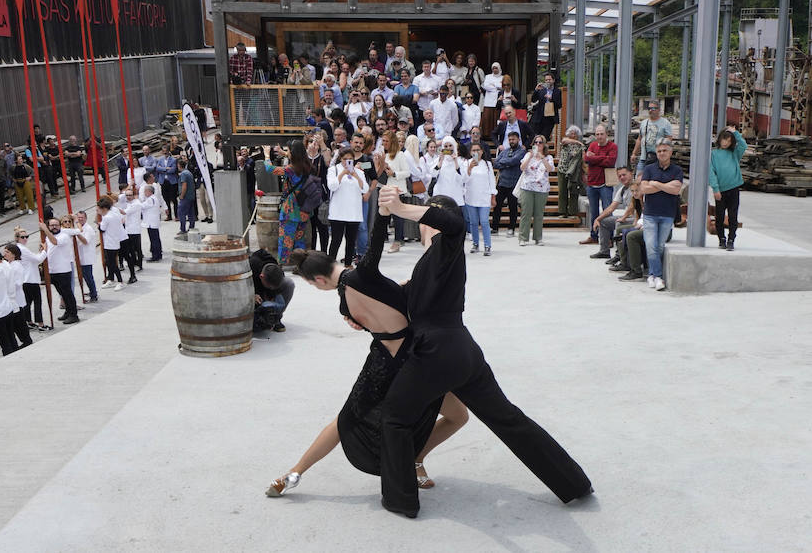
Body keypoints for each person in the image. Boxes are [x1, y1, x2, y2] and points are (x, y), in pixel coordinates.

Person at [374, 189, 593, 517]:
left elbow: (454, 223)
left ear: (429, 221)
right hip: (462, 352)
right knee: (507, 418)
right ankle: (573, 483)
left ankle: (400, 500)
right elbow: (403, 298)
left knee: (394, 418)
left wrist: (401, 208)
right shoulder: (430, 261)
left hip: (434, 353)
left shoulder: (446, 244)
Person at [267, 209, 466, 498]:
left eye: (312, 285)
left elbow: (372, 319)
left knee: (344, 419)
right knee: (458, 416)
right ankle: (416, 458)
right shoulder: (366, 273)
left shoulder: (344, 306)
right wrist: (384, 212)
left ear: (319, 280)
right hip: (415, 360)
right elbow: (374, 240)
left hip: (382, 365)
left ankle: (293, 473)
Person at [258, 140, 324, 263]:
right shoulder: (308, 166)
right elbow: (295, 157)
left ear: (293, 153)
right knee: (299, 239)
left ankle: (282, 264)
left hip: (290, 208)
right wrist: (284, 153)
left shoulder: (290, 169)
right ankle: (300, 265)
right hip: (304, 208)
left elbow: (270, 169)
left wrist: (267, 155)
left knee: (286, 239)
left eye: (289, 151)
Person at [637, 141, 685, 291]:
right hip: (650, 214)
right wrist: (666, 186)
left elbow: (676, 190)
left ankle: (652, 275)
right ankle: (658, 276)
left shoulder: (677, 170)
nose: (662, 153)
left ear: (670, 153)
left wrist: (656, 184)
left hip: (667, 214)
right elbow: (644, 188)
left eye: (665, 150)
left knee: (659, 246)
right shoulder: (649, 168)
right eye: (659, 151)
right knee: (651, 246)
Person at [326, 147, 368, 267]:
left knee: (351, 241)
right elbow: (332, 186)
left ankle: (348, 264)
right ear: (340, 159)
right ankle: (331, 264)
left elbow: (364, 188)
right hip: (338, 212)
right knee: (336, 240)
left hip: (354, 212)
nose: (347, 162)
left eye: (350, 159)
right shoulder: (333, 170)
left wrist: (356, 175)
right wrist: (342, 174)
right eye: (345, 159)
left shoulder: (359, 172)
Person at [710, 126, 746, 251]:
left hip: (734, 188)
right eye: (724, 140)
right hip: (720, 190)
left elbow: (743, 145)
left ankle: (731, 239)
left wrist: (735, 132)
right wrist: (715, 189)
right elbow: (711, 172)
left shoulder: (735, 153)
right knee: (719, 216)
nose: (725, 143)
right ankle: (721, 239)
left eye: (729, 140)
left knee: (733, 216)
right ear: (719, 139)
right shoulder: (713, 154)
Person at [40, 218, 83, 324]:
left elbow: (55, 242)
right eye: (51, 225)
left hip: (63, 270)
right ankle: (68, 312)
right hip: (52, 270)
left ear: (60, 226)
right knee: (62, 294)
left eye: (56, 225)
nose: (54, 227)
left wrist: (45, 230)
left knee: (67, 293)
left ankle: (74, 315)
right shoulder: (48, 237)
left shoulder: (64, 235)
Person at [582, 125, 618, 244]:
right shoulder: (592, 145)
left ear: (606, 134)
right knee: (593, 212)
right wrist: (602, 159)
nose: (599, 136)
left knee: (607, 212)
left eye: (601, 134)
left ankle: (609, 238)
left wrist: (595, 158)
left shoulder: (613, 147)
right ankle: (594, 236)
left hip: (605, 184)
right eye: (597, 134)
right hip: (592, 184)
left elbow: (611, 161)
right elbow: (586, 159)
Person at [589, 167, 634, 261]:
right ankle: (604, 251)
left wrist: (624, 217)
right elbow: (611, 207)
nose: (622, 177)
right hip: (628, 217)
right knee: (604, 221)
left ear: (631, 173)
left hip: (638, 219)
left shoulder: (636, 187)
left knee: (619, 223)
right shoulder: (622, 190)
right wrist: (598, 219)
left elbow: (633, 206)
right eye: (619, 176)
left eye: (624, 175)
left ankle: (619, 256)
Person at [517, 135, 555, 246]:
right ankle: (523, 237)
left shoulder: (548, 158)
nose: (538, 144)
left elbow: (550, 169)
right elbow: (522, 168)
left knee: (539, 214)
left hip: (542, 189)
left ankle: (538, 238)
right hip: (527, 187)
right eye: (536, 142)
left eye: (540, 142)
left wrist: (541, 157)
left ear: (544, 145)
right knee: (526, 213)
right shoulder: (528, 155)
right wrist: (530, 157)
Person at [249, 249, 294, 333]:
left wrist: (273, 295)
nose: (271, 288)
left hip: (265, 291)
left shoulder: (275, 267)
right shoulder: (251, 267)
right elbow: (240, 287)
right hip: (255, 292)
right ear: (261, 276)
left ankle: (276, 318)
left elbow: (275, 285)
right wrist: (252, 295)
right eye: (269, 286)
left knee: (289, 283)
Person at [492, 131, 526, 236]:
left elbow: (515, 161)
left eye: (513, 139)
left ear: (518, 140)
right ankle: (494, 227)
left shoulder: (521, 151)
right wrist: (506, 163)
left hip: (514, 183)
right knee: (497, 206)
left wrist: (504, 163)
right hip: (502, 182)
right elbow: (496, 163)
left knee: (513, 207)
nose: (511, 141)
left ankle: (511, 228)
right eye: (510, 139)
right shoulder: (504, 151)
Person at [98, 196, 127, 291]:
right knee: (109, 262)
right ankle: (110, 279)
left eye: (99, 209)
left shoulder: (107, 218)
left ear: (104, 208)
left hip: (110, 242)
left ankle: (120, 281)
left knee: (112, 263)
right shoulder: (115, 214)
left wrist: (99, 224)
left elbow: (102, 229)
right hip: (114, 240)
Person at [556, 125, 585, 219]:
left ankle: (572, 212)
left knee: (574, 191)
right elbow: (564, 140)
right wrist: (577, 142)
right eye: (571, 133)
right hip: (563, 170)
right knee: (562, 191)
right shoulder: (565, 142)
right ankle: (562, 212)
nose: (573, 135)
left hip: (574, 172)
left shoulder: (580, 146)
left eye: (575, 133)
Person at [72, 211, 101, 303]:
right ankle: (92, 291)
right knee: (85, 276)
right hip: (81, 256)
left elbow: (85, 241)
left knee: (88, 276)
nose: (80, 219)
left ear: (86, 218)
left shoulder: (88, 229)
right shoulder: (80, 228)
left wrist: (77, 233)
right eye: (78, 217)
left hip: (87, 256)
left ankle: (94, 295)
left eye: (82, 217)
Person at [632, 103, 673, 168]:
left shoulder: (665, 123)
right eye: (649, 108)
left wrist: (665, 156)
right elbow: (639, 139)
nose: (650, 110)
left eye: (653, 108)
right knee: (639, 176)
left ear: (659, 110)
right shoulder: (644, 123)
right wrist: (634, 153)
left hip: (658, 158)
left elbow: (669, 140)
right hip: (644, 158)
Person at [119, 187, 144, 280]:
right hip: (128, 229)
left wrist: (113, 208)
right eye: (127, 195)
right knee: (131, 249)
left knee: (137, 248)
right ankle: (133, 263)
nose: (128, 197)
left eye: (130, 195)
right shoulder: (128, 203)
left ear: (134, 195)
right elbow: (120, 197)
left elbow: (125, 212)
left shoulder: (136, 204)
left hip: (135, 229)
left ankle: (139, 264)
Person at [527, 72, 561, 141]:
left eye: (549, 79)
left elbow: (559, 105)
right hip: (540, 117)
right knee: (536, 137)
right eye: (546, 80)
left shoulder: (557, 91)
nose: (548, 81)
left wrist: (551, 99)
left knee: (545, 137)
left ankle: (543, 150)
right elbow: (533, 100)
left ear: (553, 80)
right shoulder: (542, 90)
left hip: (550, 117)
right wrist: (536, 90)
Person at [142, 183, 164, 262]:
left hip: (151, 222)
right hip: (153, 222)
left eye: (145, 191)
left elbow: (142, 206)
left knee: (154, 239)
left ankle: (155, 255)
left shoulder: (150, 199)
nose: (144, 193)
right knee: (156, 238)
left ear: (149, 191)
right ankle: (158, 254)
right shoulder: (153, 198)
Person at [155, 147, 179, 221]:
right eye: (163, 151)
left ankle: (177, 215)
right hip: (163, 181)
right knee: (166, 199)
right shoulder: (160, 159)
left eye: (166, 151)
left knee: (174, 199)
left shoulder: (173, 160)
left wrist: (162, 169)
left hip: (171, 181)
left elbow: (173, 170)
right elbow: (157, 168)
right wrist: (166, 168)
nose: (165, 153)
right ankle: (169, 215)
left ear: (169, 151)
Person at [176, 154, 197, 236]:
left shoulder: (183, 174)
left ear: (179, 166)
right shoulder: (189, 172)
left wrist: (182, 195)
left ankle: (183, 229)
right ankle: (191, 227)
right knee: (191, 213)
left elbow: (184, 185)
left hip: (186, 197)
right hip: (191, 196)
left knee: (181, 213)